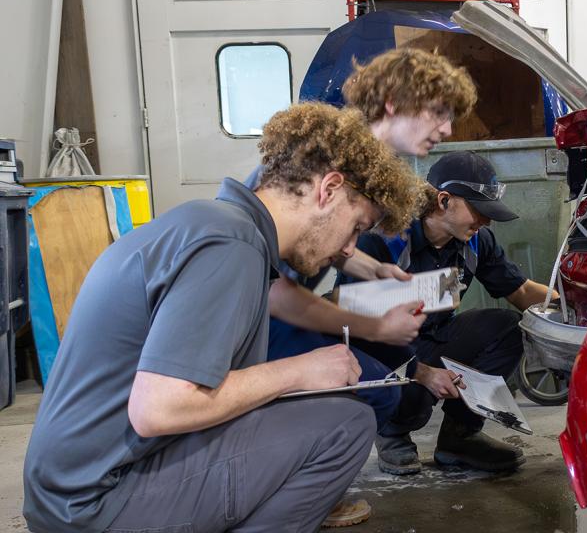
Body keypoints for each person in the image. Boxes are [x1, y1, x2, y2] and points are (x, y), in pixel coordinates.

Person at [23, 103, 422, 533]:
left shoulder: (215, 225)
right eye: (356, 226)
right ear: (328, 189)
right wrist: (298, 370)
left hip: (72, 490)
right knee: (347, 424)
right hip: (94, 503)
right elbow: (158, 408)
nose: (349, 249)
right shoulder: (231, 245)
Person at [245, 45, 476, 525]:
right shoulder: (321, 160)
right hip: (260, 319)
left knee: (393, 356)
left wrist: (377, 273)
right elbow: (277, 286)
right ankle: (284, 489)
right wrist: (370, 325)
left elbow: (329, 244)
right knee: (372, 385)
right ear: (393, 101)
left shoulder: (357, 160)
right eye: (438, 112)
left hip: (282, 302)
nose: (448, 129)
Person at [344, 151, 555, 475]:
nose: (486, 221)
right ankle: (392, 432)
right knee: (413, 394)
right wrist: (424, 373)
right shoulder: (383, 240)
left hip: (433, 337)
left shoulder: (476, 241)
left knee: (510, 328)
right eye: (479, 211)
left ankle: (460, 437)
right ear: (444, 201)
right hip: (381, 350)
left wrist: (575, 308)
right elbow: (353, 326)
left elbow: (522, 292)